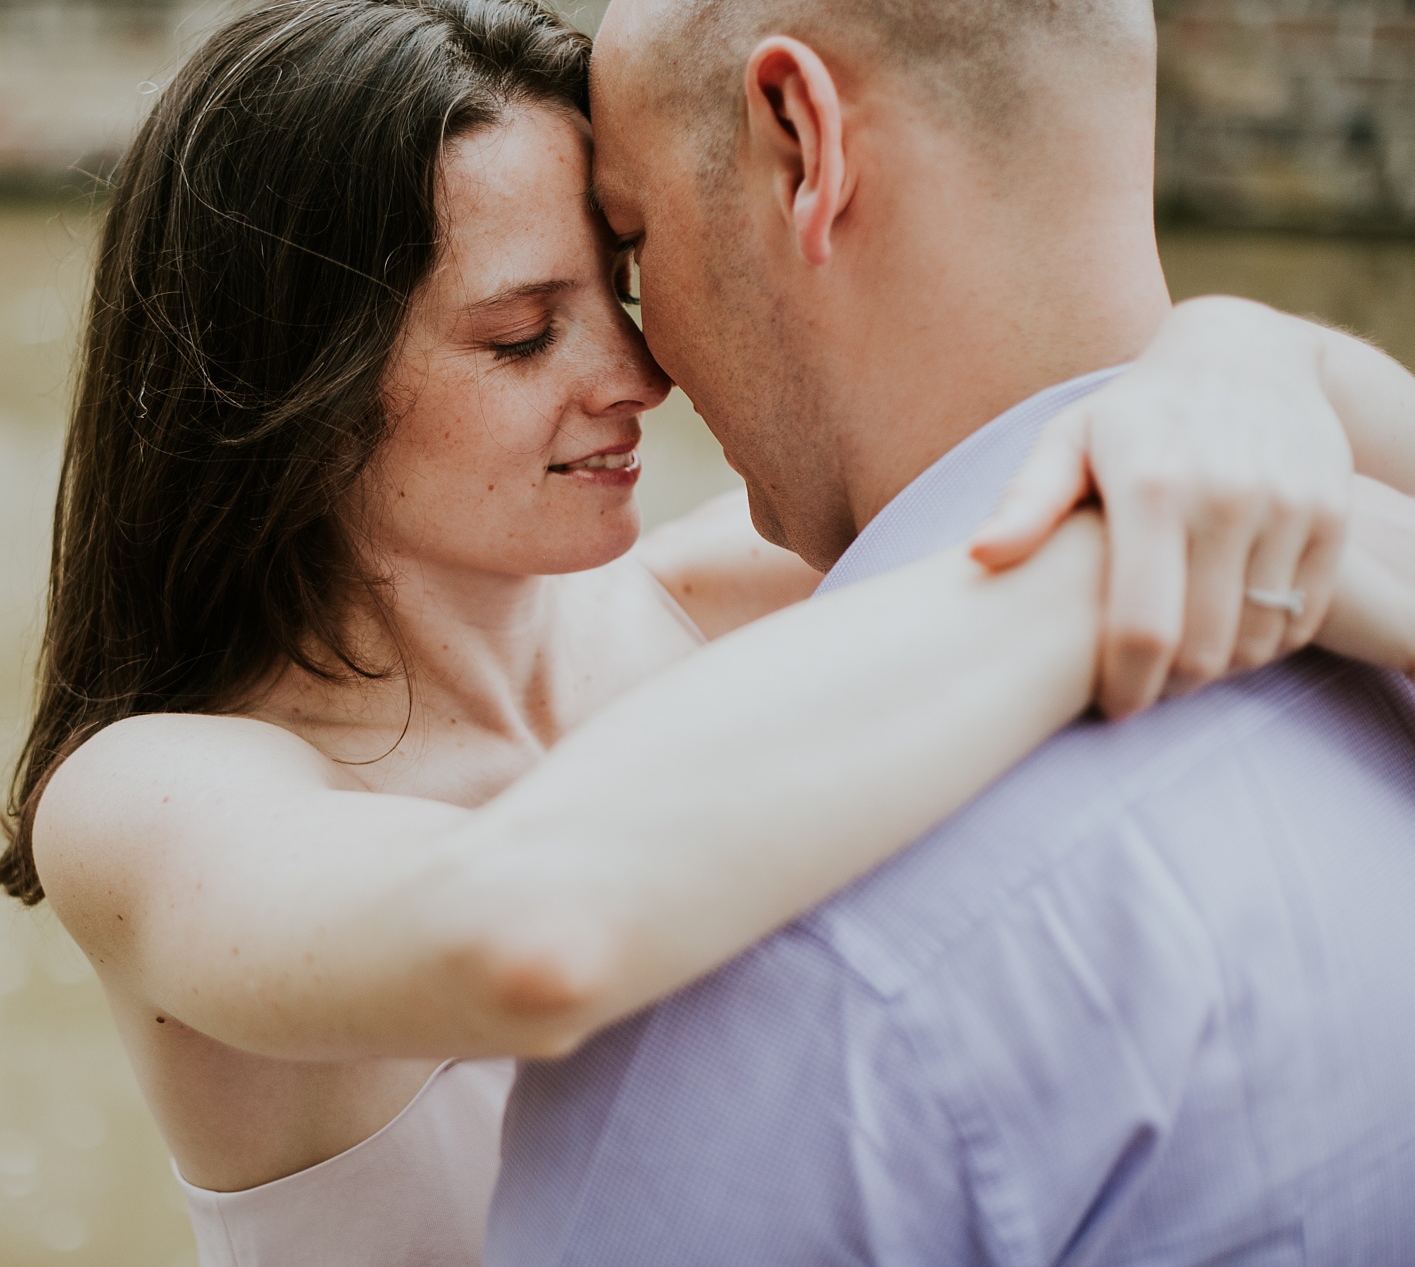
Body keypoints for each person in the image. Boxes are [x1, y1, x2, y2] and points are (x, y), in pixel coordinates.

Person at [0, 2, 1415, 1263]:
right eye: (520, 334)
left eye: (617, 289)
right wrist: (1117, 545)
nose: (636, 373)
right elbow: (518, 929)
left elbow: (1004, 436)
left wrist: (1250, 358)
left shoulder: (719, 592)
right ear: (289, 384)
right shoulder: (144, 798)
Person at [485, 0, 1415, 1262]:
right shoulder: (1384, 610)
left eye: (637, 249)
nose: (648, 370)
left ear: (802, 144)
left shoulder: (755, 943)